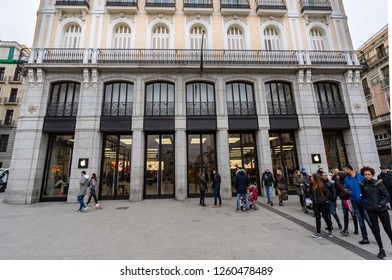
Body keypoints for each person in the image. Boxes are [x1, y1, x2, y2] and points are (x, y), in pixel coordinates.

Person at [360, 166, 392, 259]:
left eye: (369, 174)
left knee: (388, 229)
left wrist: (380, 204)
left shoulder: (378, 183)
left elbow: (387, 196)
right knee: (375, 230)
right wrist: (365, 202)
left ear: (372, 174)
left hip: (382, 209)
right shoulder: (362, 184)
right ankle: (381, 249)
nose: (367, 176)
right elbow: (364, 195)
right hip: (370, 209)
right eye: (365, 174)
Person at [344, 163, 372, 244]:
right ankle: (365, 238)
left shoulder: (361, 176)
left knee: (369, 219)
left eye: (345, 169)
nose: (344, 171)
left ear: (348, 169)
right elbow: (346, 188)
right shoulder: (347, 179)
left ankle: (376, 233)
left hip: (364, 202)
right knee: (360, 220)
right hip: (354, 202)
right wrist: (347, 190)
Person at [309, 174, 333, 238]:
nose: (311, 178)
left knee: (325, 217)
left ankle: (330, 230)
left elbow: (328, 194)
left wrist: (322, 200)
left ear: (315, 178)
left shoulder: (321, 185)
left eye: (312, 177)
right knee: (317, 218)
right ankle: (318, 232)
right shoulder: (312, 185)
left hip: (323, 204)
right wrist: (312, 199)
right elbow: (310, 194)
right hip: (315, 204)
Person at [335, 172, 359, 236]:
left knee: (346, 215)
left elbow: (337, 192)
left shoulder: (339, 183)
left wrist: (339, 196)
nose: (337, 177)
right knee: (353, 214)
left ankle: (346, 229)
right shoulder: (347, 182)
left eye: (338, 176)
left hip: (345, 200)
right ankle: (355, 229)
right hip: (350, 199)